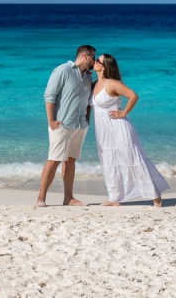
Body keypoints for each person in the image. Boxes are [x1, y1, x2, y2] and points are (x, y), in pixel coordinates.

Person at [91, 54, 169, 207]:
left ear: (105, 66)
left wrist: (123, 113)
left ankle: (155, 195)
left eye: (98, 60)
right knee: (109, 160)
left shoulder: (113, 84)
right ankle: (114, 198)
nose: (94, 62)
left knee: (131, 158)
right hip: (103, 130)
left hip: (118, 127)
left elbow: (133, 96)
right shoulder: (94, 84)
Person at [36, 45, 96, 207]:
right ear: (85, 56)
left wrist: (87, 117)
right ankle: (41, 198)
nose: (94, 61)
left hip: (80, 125)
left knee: (71, 161)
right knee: (54, 160)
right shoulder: (63, 70)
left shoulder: (88, 76)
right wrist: (51, 120)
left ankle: (68, 198)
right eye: (93, 57)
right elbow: (49, 95)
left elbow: (88, 99)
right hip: (62, 124)